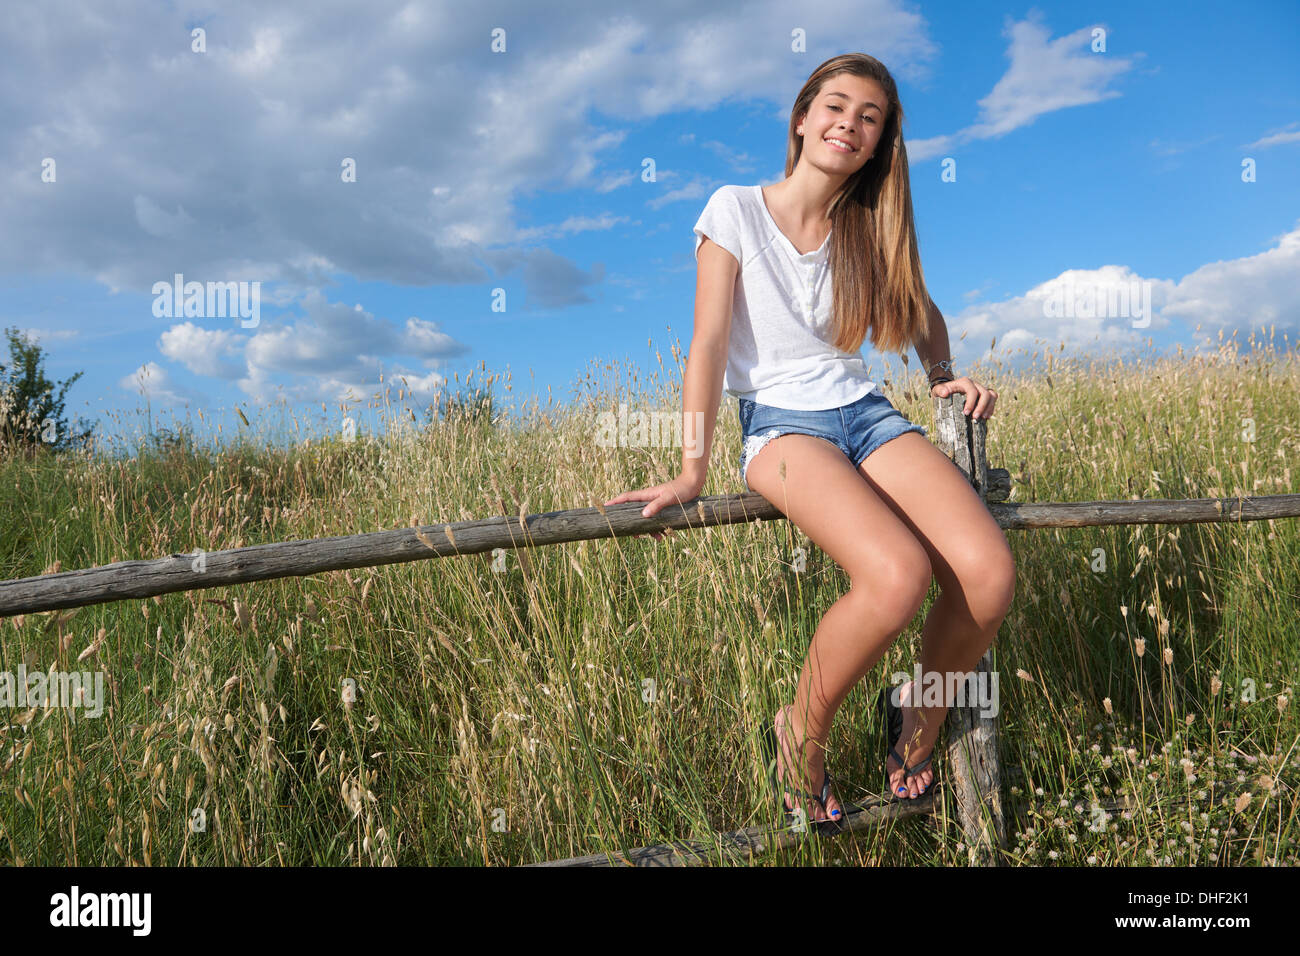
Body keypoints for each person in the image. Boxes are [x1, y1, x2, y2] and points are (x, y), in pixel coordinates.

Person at [604, 53, 1015, 822]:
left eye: (870, 117)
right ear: (801, 118)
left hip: (866, 412)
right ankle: (801, 732)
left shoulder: (868, 224)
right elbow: (707, 343)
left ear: (880, 141)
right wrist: (692, 467)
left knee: (988, 574)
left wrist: (942, 376)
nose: (849, 125)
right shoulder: (733, 209)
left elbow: (921, 311)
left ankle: (916, 724)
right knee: (896, 577)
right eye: (836, 106)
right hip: (781, 424)